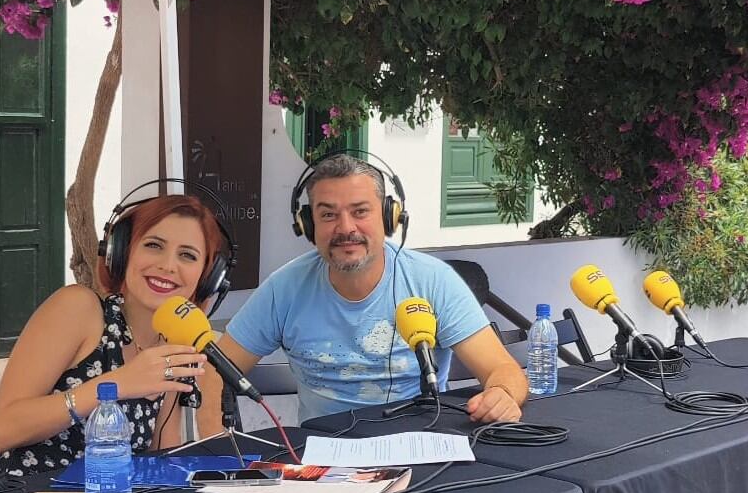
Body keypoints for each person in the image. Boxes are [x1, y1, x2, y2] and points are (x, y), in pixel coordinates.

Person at [219, 154, 528, 424]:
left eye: (360, 211)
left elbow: (503, 369)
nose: (345, 228)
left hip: (422, 446)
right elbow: (215, 373)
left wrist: (501, 395)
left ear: (389, 217)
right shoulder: (283, 289)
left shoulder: (433, 280)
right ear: (308, 225)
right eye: (328, 215)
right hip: (324, 463)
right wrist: (217, 458)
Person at [0, 195, 228, 475]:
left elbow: (162, 455)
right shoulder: (78, 309)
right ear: (122, 252)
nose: (168, 265)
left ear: (208, 277)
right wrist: (119, 383)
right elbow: (3, 430)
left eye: (187, 255)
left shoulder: (173, 343)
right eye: (153, 245)